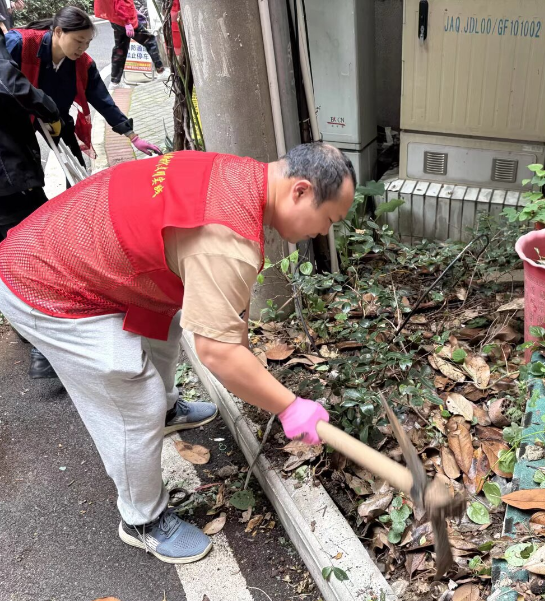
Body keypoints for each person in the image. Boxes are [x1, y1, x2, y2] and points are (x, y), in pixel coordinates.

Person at [0, 143, 355, 563]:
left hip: (64, 246)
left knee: (169, 319)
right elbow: (218, 353)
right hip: (45, 284)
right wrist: (289, 406)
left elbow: (223, 320)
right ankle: (142, 519)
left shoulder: (238, 175)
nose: (323, 232)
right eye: (328, 219)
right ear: (300, 191)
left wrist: (247, 366)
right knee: (133, 398)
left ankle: (167, 413)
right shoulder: (227, 241)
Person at [5, 6, 161, 174]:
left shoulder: (82, 64)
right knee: (26, 172)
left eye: (87, 43)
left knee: (77, 167)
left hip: (55, 117)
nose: (83, 48)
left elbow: (103, 100)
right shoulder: (21, 43)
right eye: (78, 41)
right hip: (13, 117)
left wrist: (133, 136)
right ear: (58, 31)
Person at [0, 27, 64, 377]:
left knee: (7, 261)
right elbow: (9, 82)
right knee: (37, 254)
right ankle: (46, 346)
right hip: (8, 177)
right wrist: (50, 110)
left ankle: (29, 329)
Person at [94, 0, 164, 86]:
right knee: (149, 40)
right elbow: (121, 3)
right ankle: (160, 70)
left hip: (115, 18)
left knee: (120, 49)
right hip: (124, 18)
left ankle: (115, 82)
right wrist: (127, 22)